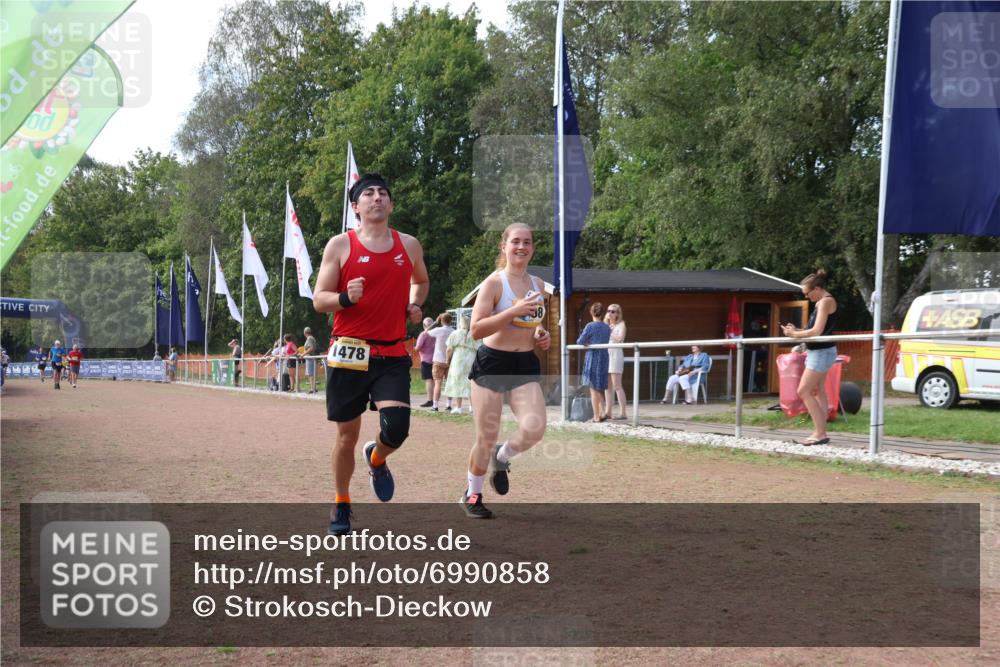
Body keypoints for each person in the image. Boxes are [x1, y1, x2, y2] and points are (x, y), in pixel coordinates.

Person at [313, 173, 429, 535]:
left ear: (391, 205)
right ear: (355, 207)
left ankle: (376, 459)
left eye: (383, 193)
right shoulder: (340, 246)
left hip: (391, 351)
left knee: (397, 429)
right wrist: (346, 298)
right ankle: (342, 503)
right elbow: (319, 299)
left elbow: (421, 282)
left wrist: (414, 304)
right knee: (346, 435)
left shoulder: (409, 245)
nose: (376, 198)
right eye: (368, 194)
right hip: (349, 351)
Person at [463, 222, 551, 519]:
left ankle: (502, 457)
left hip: (524, 364)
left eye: (527, 242)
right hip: (492, 364)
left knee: (535, 428)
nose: (521, 247)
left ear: (532, 248)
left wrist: (541, 333)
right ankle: (473, 494)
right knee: (485, 436)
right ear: (504, 246)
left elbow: (534, 322)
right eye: (515, 241)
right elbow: (476, 329)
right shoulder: (494, 284)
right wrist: (512, 311)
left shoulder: (538, 285)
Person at [781, 269, 838, 446]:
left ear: (817, 288)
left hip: (821, 352)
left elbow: (816, 331)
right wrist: (796, 331)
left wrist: (795, 335)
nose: (806, 297)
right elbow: (814, 331)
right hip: (822, 351)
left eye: (807, 293)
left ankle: (820, 433)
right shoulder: (823, 302)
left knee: (803, 391)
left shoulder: (824, 302)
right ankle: (821, 431)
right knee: (818, 390)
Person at [577, 303, 612, 422]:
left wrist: (587, 343)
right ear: (602, 314)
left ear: (591, 313)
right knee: (599, 387)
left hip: (593, 357)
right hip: (604, 357)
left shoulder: (590, 326)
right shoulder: (606, 327)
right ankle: (602, 412)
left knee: (593, 388)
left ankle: (596, 416)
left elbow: (580, 341)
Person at [443, 315, 480, 414]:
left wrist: (447, 360)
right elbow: (480, 349)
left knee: (457, 382)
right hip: (471, 360)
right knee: (470, 382)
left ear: (460, 322)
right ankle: (472, 407)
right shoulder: (475, 334)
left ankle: (459, 408)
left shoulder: (455, 333)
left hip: (458, 360)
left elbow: (449, 349)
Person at [426, 313, 455, 411]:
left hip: (438, 360)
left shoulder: (438, 330)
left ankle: (435, 405)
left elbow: (426, 331)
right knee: (449, 383)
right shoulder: (454, 332)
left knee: (438, 383)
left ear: (442, 321)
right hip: (450, 360)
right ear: (451, 320)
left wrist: (435, 322)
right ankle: (448, 405)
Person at [603, 304, 628, 420]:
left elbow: (620, 338)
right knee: (607, 386)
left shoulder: (621, 324)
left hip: (616, 354)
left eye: (613, 311)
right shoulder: (605, 325)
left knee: (617, 385)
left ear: (618, 313)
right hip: (606, 355)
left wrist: (610, 331)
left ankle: (623, 413)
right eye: (608, 311)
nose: (610, 313)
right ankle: (608, 412)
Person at [414, 317, 436, 407]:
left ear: (424, 325)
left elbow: (418, 347)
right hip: (436, 359)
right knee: (435, 381)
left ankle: (430, 400)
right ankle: (435, 400)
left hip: (426, 360)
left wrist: (414, 349)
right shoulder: (436, 333)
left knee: (429, 380)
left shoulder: (423, 334)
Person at [302, 327, 318, 393]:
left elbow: (312, 348)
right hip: (309, 357)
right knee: (310, 373)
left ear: (305, 332)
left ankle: (313, 388)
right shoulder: (310, 338)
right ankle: (312, 388)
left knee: (311, 373)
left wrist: (303, 354)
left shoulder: (310, 338)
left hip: (310, 357)